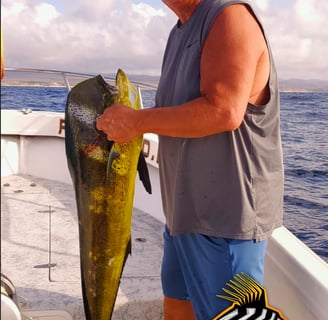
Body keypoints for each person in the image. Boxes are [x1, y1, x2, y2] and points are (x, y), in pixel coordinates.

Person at [97, 0, 284, 319]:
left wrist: (138, 122)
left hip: (226, 223)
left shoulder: (229, 17)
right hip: (183, 215)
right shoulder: (179, 31)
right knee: (177, 308)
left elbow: (224, 111)